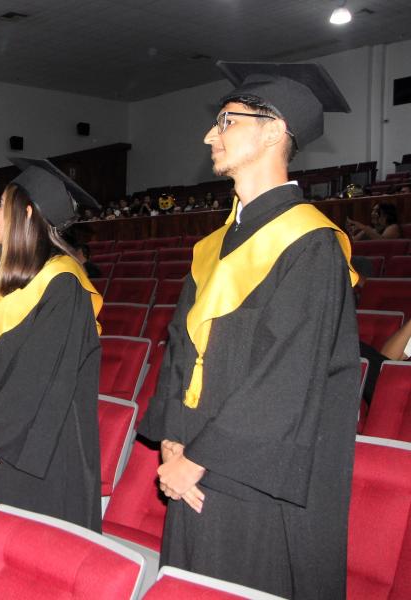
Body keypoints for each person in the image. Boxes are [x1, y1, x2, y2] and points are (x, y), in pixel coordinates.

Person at [137, 61, 361, 598]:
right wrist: (172, 440)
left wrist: (198, 459)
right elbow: (181, 351)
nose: (209, 135)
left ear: (272, 131)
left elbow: (285, 378)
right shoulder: (212, 246)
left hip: (255, 480)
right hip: (191, 464)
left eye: (226, 121)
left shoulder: (311, 245)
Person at [0, 156, 103, 527]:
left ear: (26, 213)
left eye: (1, 207)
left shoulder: (63, 285)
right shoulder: (11, 286)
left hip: (37, 456)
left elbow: (37, 383)